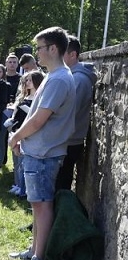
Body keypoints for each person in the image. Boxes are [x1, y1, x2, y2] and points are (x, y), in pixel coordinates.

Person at [9, 26, 76, 260]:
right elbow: (35, 114)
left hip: (44, 154)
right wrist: (20, 139)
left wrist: (15, 136)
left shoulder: (59, 79)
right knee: (37, 204)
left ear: (53, 48)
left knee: (42, 204)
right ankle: (33, 249)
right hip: (38, 151)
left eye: (39, 48)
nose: (36, 53)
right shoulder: (52, 75)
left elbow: (39, 119)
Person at [55, 35, 96, 190]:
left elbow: (68, 111)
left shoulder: (78, 80)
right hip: (65, 139)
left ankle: (59, 213)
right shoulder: (71, 76)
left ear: (73, 55)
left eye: (61, 53)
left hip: (68, 141)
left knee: (61, 184)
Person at [5, 71, 44, 197]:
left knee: (25, 163)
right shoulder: (23, 97)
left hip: (30, 134)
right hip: (17, 130)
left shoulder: (39, 98)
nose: (27, 83)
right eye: (26, 80)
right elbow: (16, 114)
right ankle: (18, 185)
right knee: (17, 161)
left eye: (30, 80)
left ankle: (24, 189)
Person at [0, 53, 22, 173]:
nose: (12, 64)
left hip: (16, 111)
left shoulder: (21, 78)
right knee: (0, 138)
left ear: (17, 64)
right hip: (2, 111)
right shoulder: (1, 78)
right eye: (9, 62)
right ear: (6, 63)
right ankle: (0, 162)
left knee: (14, 138)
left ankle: (16, 165)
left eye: (14, 62)